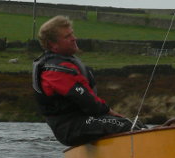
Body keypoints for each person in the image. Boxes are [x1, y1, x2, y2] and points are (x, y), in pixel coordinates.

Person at [32, 15, 143, 146]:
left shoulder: (66, 64)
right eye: (67, 37)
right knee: (127, 125)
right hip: (70, 127)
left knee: (135, 124)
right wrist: (114, 114)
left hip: (83, 121)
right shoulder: (54, 72)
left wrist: (113, 116)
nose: (74, 38)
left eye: (72, 34)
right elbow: (87, 101)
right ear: (53, 45)